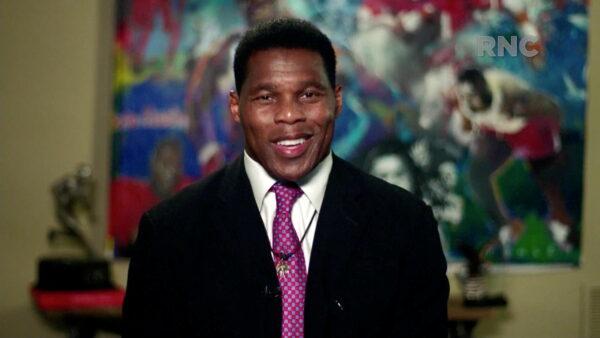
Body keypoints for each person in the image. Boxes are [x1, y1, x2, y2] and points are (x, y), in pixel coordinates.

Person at [123, 18, 448, 337]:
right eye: (266, 97)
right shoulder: (170, 233)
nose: (290, 115)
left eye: (308, 95)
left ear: (336, 100)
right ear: (236, 107)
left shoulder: (405, 226)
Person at [454, 68, 575, 256]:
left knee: (546, 176)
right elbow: (468, 128)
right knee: (477, 174)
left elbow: (548, 109)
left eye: (476, 93)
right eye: (467, 96)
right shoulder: (466, 104)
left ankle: (562, 224)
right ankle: (505, 226)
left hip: (528, 126)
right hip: (500, 132)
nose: (473, 99)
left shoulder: (509, 90)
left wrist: (530, 116)